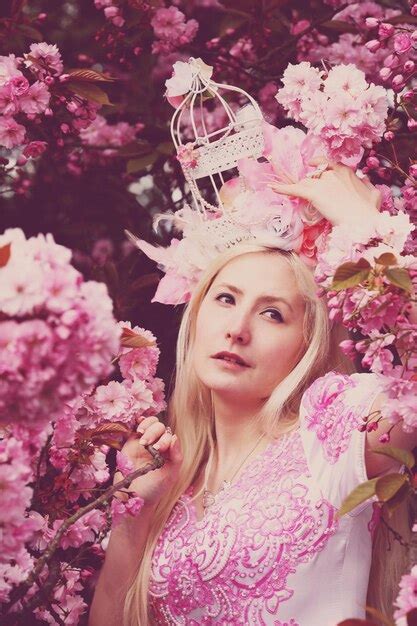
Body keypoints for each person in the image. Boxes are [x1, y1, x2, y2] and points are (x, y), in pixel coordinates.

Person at [89, 162, 415, 626]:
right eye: (226, 299)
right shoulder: (172, 474)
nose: (238, 329)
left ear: (309, 343)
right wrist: (136, 513)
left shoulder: (332, 425)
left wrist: (371, 237)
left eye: (272, 314)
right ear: (198, 314)